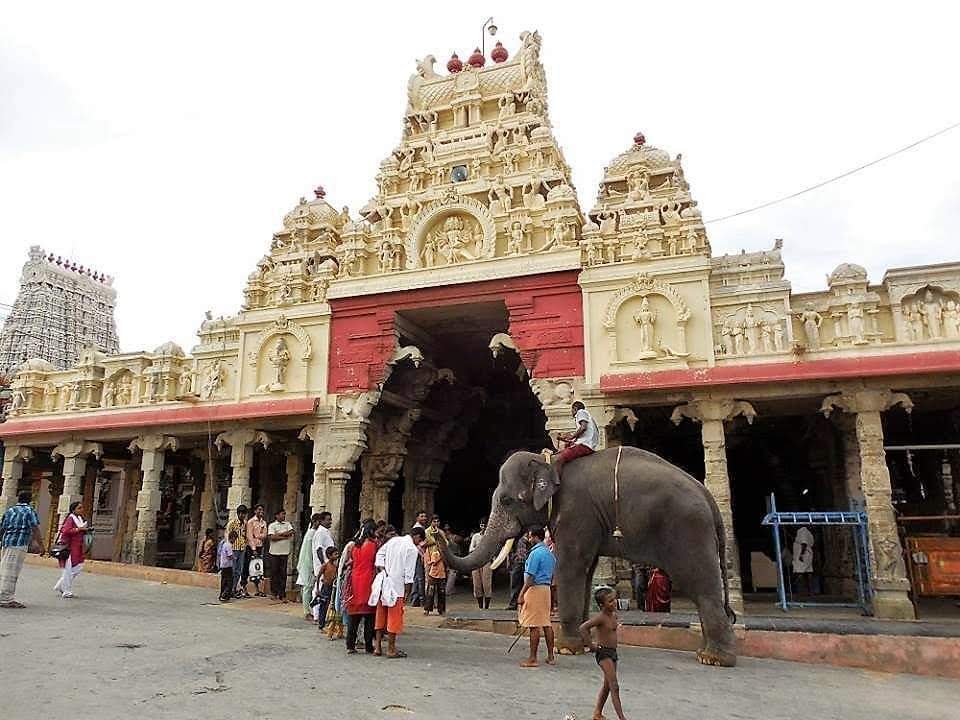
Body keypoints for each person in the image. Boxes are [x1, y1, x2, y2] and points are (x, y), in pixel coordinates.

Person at [372, 526, 425, 659]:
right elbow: (409, 574)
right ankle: (391, 649)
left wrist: (383, 570)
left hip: (384, 582)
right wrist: (407, 592)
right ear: (417, 537)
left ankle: (377, 647)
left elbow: (379, 555)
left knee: (381, 615)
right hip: (397, 586)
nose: (419, 544)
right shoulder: (411, 549)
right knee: (394, 618)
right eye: (420, 541)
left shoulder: (393, 541)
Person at [579, 587, 628, 720]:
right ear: (602, 605)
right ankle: (622, 717)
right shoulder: (600, 618)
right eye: (610, 601)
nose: (614, 603)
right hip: (603, 653)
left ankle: (597, 712)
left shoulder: (614, 615)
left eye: (614, 599)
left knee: (607, 685)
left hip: (613, 653)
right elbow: (583, 628)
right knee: (614, 685)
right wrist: (591, 645)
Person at [517, 525, 556, 668]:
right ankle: (551, 656)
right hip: (546, 589)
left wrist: (521, 593)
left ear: (535, 537)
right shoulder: (549, 553)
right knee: (546, 622)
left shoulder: (535, 553)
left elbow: (531, 577)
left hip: (535, 589)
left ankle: (533, 658)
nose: (529, 538)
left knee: (534, 625)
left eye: (530, 536)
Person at [0, 491, 45, 609]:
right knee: (12, 571)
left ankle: (4, 596)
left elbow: (2, 528)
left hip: (7, 543)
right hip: (19, 544)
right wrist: (41, 544)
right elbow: (35, 528)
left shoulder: (10, 510)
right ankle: (6, 599)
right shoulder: (29, 511)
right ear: (29, 499)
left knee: (5, 569)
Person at [345, 519, 378, 654]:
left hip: (354, 580)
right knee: (369, 617)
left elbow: (349, 562)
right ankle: (369, 645)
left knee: (354, 617)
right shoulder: (374, 545)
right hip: (368, 580)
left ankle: (350, 645)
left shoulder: (354, 546)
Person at [554, 400, 600, 476]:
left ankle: (556, 480)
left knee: (559, 458)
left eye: (571, 410)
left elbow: (583, 427)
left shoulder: (581, 412)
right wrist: (571, 440)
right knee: (566, 447)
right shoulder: (587, 416)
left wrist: (572, 436)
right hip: (587, 444)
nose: (571, 412)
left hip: (585, 445)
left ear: (575, 409)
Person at [54, 501, 89, 599]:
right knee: (68, 569)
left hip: (78, 547)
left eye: (82, 507)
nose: (81, 509)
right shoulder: (70, 518)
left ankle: (60, 585)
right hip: (69, 547)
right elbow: (66, 531)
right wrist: (79, 530)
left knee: (78, 567)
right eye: (79, 508)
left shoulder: (80, 519)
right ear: (74, 510)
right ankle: (66, 591)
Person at [297, 513, 322, 620]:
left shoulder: (312, 533)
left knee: (307, 586)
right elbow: (311, 552)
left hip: (307, 562)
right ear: (316, 522)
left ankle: (307, 608)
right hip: (308, 563)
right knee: (308, 586)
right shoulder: (312, 534)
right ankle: (306, 611)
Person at [267, 509, 294, 602]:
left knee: (283, 574)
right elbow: (271, 537)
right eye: (282, 514)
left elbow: (291, 532)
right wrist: (284, 536)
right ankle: (274, 592)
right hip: (274, 553)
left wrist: (278, 535)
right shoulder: (272, 525)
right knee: (274, 573)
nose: (284, 516)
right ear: (277, 515)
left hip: (284, 552)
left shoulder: (287, 524)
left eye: (284, 514)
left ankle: (282, 594)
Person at [225, 505, 249, 598]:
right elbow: (228, 535)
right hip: (233, 548)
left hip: (242, 548)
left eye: (244, 514)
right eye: (241, 513)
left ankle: (234, 588)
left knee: (239, 570)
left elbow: (245, 535)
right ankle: (229, 589)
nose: (242, 515)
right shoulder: (232, 523)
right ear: (238, 513)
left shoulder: (245, 524)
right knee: (233, 569)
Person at [469, 518, 493, 609]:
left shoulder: (491, 537)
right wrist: (480, 550)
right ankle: (480, 606)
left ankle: (486, 607)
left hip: (486, 561)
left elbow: (493, 549)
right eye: (482, 525)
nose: (483, 527)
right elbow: (471, 549)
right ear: (480, 526)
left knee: (487, 584)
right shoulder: (475, 536)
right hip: (476, 561)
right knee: (477, 584)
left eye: (485, 525)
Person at [245, 504, 268, 597]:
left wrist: (258, 536)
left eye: (262, 510)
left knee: (258, 569)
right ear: (255, 511)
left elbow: (264, 535)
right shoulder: (251, 522)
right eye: (259, 510)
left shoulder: (263, 523)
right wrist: (253, 548)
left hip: (260, 546)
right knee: (248, 566)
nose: (260, 512)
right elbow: (250, 536)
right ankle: (244, 587)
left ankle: (257, 589)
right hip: (251, 547)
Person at [314, 546, 339, 629]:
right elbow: (318, 577)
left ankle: (328, 623)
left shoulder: (336, 566)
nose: (337, 556)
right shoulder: (325, 565)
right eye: (335, 554)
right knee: (323, 606)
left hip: (332, 587)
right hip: (325, 587)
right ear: (329, 555)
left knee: (331, 605)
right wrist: (317, 589)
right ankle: (321, 624)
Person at [423, 529, 447, 616]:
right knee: (430, 592)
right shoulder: (429, 550)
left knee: (441, 592)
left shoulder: (443, 549)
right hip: (432, 573)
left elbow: (445, 560)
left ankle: (441, 609)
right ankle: (427, 609)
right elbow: (429, 561)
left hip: (441, 573)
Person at [507, 532, 530, 610]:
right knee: (515, 583)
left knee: (523, 583)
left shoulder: (526, 537)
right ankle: (513, 604)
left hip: (525, 562)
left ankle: (521, 603)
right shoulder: (514, 538)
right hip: (517, 562)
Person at [410, 510, 428, 607]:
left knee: (417, 578)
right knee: (420, 578)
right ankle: (421, 600)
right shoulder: (417, 528)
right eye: (421, 516)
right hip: (418, 555)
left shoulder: (422, 527)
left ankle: (415, 599)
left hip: (419, 554)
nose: (424, 518)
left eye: (425, 516)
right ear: (417, 518)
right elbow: (417, 544)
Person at [311, 511, 334, 582]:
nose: (330, 522)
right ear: (322, 521)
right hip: (322, 566)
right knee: (320, 587)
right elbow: (318, 549)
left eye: (330, 520)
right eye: (328, 520)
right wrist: (323, 564)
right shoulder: (320, 532)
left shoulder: (325, 532)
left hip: (327, 564)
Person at [792, 525, 815, 595]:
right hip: (806, 554)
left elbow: (804, 543)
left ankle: (802, 590)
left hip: (803, 554)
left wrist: (801, 554)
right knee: (808, 572)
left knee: (799, 572)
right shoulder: (806, 531)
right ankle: (809, 591)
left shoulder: (802, 530)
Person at [217, 531, 237, 602]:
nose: (235, 541)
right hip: (227, 566)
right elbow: (230, 555)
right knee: (229, 582)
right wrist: (235, 558)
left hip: (223, 565)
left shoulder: (224, 544)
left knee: (224, 581)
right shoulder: (228, 545)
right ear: (232, 538)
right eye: (235, 539)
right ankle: (225, 595)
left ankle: (222, 594)